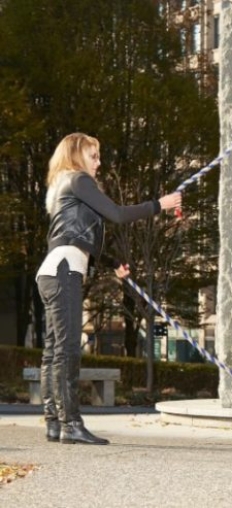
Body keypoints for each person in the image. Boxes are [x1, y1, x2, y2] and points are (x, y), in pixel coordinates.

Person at [38, 133, 181, 445]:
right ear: (77, 156)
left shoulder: (63, 184)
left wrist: (112, 262)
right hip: (63, 271)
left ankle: (54, 422)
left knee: (54, 350)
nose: (99, 163)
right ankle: (70, 424)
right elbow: (116, 214)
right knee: (66, 350)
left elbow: (74, 236)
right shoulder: (78, 180)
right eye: (94, 156)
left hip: (52, 270)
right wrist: (160, 204)